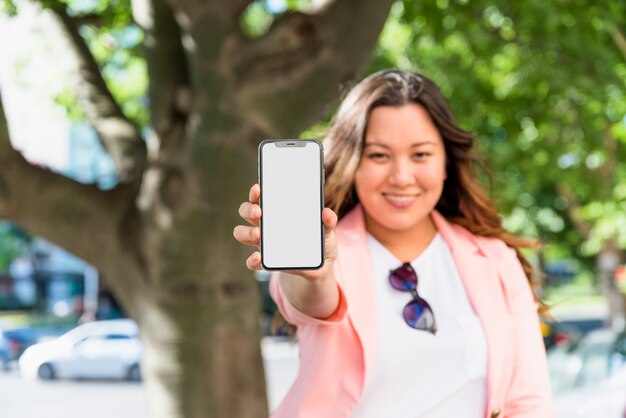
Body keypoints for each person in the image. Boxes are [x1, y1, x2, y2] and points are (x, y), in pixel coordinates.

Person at [234, 69, 554, 418]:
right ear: (353, 163)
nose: (401, 177)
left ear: (447, 162)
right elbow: (310, 299)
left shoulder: (495, 260)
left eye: (420, 155)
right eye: (379, 156)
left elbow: (528, 401)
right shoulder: (327, 251)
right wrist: (311, 273)